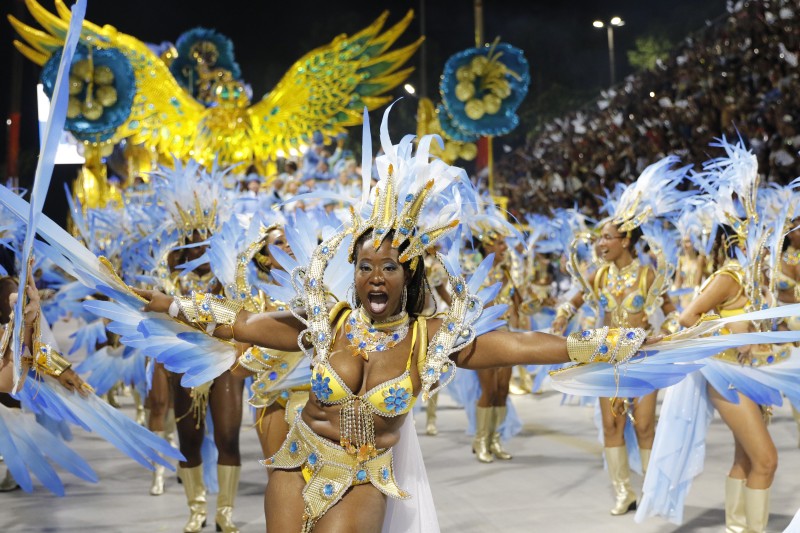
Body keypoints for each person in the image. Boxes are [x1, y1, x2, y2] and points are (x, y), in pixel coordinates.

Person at [134, 111, 658, 532]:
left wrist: (620, 342)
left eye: (388, 267)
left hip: (363, 475)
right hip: (296, 461)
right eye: (365, 268)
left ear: (407, 278)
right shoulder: (326, 320)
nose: (375, 278)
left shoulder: (428, 341)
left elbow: (522, 346)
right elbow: (238, 323)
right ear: (353, 274)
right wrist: (164, 303)